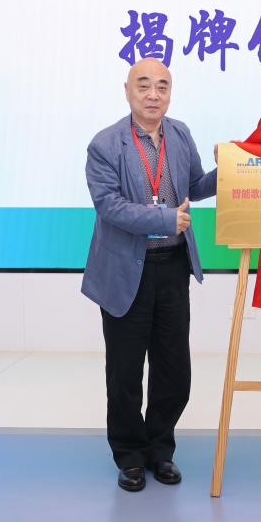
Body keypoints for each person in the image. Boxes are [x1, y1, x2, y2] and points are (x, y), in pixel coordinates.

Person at [82, 58, 217, 492]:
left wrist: (229, 170)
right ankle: (129, 456)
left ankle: (161, 449)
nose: (153, 95)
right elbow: (109, 206)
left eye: (162, 86)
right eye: (144, 86)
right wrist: (162, 218)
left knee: (174, 370)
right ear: (127, 91)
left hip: (172, 267)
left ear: (170, 93)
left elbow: (194, 186)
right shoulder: (105, 144)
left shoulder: (180, 133)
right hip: (125, 272)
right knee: (124, 372)